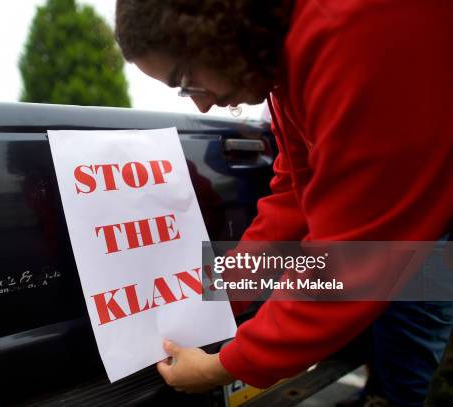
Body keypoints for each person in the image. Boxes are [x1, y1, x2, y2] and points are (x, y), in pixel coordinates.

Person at [114, 1, 453, 406]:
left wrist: (225, 365)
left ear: (212, 30)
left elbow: (349, 262)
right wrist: (223, 286)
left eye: (186, 80)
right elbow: (296, 190)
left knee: (417, 373)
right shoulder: (284, 68)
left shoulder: (350, 30)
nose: (201, 105)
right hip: (399, 218)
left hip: (426, 221)